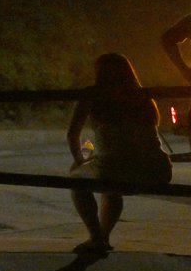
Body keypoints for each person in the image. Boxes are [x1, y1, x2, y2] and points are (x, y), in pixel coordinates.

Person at [67, 52, 171, 255]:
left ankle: (96, 237)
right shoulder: (142, 96)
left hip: (116, 168)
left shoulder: (93, 94)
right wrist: (90, 153)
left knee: (77, 178)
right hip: (158, 169)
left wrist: (80, 159)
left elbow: (73, 135)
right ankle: (103, 237)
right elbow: (110, 139)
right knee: (106, 172)